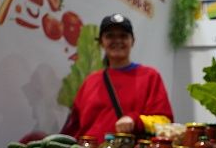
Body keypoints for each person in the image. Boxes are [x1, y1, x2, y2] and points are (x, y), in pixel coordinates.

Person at [61, 13, 173, 141]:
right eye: (110, 36)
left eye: (123, 36)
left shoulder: (150, 77)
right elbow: (73, 128)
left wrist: (135, 120)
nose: (117, 41)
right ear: (101, 43)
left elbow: (165, 123)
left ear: (133, 41)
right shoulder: (90, 81)